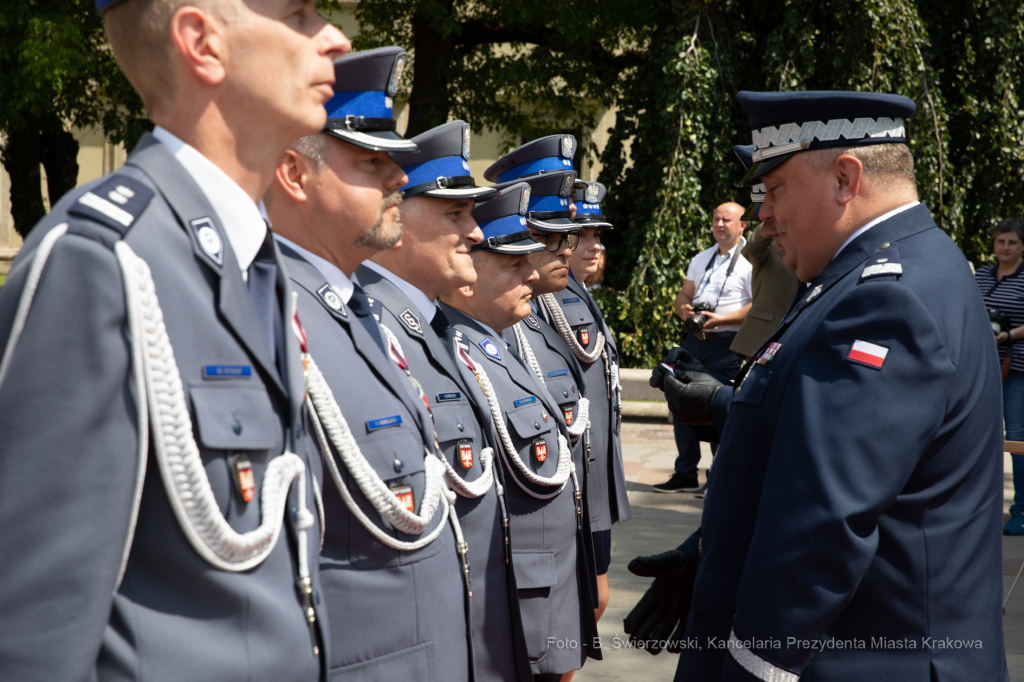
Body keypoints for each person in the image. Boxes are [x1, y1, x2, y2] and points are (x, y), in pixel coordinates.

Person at [0, 1, 348, 679]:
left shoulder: (258, 261)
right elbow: (33, 625)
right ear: (201, 42)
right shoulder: (101, 261)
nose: (334, 38)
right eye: (300, 15)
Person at [633, 90, 1007, 682]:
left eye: (775, 189)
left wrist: (753, 666)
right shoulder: (867, 276)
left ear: (845, 178)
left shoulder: (886, 296)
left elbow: (824, 519)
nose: (763, 214)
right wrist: (710, 553)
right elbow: (804, 440)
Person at [264, 47, 472, 680]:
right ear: (295, 174)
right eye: (372, 161)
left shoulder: (359, 309)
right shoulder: (270, 314)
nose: (398, 180)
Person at [355, 119, 533, 681]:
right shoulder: (375, 328)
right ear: (397, 219)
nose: (477, 233)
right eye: (455, 214)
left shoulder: (433, 326)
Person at [438, 182, 601, 681]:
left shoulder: (502, 344)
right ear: (468, 275)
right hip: (514, 602)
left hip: (545, 590)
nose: (530, 274)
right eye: (513, 266)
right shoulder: (457, 354)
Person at [486, 142, 631, 631]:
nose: (570, 247)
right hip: (540, 514)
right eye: (557, 236)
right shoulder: (509, 316)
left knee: (582, 617)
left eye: (575, 235)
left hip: (577, 494)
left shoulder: (561, 303)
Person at [654, 201, 752, 493]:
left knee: (720, 408)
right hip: (696, 341)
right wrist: (685, 310)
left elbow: (758, 307)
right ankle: (684, 473)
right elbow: (683, 294)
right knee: (681, 402)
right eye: (716, 219)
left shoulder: (752, 261)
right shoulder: (701, 258)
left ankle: (717, 478)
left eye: (727, 220)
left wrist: (720, 319)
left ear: (742, 225)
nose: (720, 224)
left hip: (728, 343)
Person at [728, 145, 801, 360]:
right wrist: (771, 216)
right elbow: (751, 249)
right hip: (765, 334)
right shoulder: (768, 246)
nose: (770, 228)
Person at [976, 217, 1024, 535]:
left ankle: (1021, 510)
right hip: (982, 366)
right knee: (979, 436)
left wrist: (1007, 336)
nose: (1005, 248)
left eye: (1012, 242)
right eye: (1000, 241)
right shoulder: (981, 275)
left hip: (1018, 368)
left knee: (1017, 438)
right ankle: (980, 509)